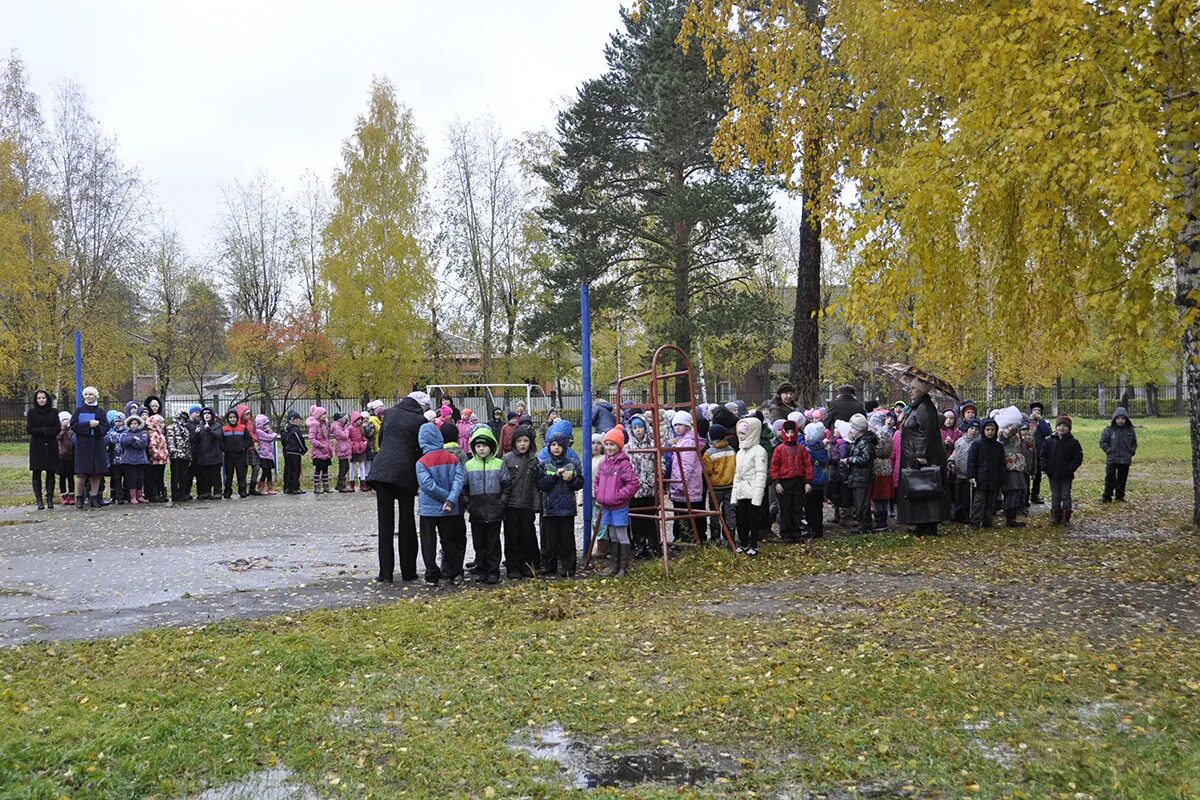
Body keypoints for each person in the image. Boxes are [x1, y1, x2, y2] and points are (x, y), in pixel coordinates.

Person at [366, 392, 427, 583]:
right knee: (406, 522)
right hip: (405, 472)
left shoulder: (389, 413)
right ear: (420, 405)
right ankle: (408, 572)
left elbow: (381, 440)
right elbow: (420, 448)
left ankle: (385, 573)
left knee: (385, 524)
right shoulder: (420, 420)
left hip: (382, 470)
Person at [415, 421, 467, 586]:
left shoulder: (421, 462)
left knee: (428, 541)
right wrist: (451, 498)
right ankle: (452, 572)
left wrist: (445, 497)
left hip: (428, 508)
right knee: (449, 539)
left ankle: (431, 573)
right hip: (449, 508)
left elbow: (428, 486)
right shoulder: (452, 458)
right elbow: (459, 480)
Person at [897, 379, 950, 535]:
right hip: (912, 454)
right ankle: (921, 523)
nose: (911, 390)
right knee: (916, 489)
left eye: (914, 388)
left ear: (922, 391)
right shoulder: (917, 407)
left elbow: (926, 433)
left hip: (923, 456)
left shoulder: (925, 408)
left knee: (925, 487)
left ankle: (929, 525)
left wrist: (921, 454)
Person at [593, 425, 640, 577]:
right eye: (606, 444)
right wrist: (599, 493)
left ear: (619, 446)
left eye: (612, 444)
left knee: (621, 534)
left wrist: (619, 495)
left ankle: (623, 568)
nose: (608, 447)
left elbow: (633, 483)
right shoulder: (604, 463)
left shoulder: (624, 464)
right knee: (612, 534)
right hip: (606, 505)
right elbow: (598, 480)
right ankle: (614, 565)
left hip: (619, 505)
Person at [537, 430, 584, 577]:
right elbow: (542, 484)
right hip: (550, 508)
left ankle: (569, 567)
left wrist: (571, 480)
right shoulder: (544, 464)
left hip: (567, 508)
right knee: (549, 541)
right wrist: (555, 477)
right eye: (553, 445)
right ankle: (549, 566)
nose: (556, 448)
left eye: (559, 445)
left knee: (567, 540)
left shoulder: (573, 463)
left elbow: (580, 483)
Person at [500, 424, 541, 579]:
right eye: (519, 441)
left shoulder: (533, 460)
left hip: (527, 505)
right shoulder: (507, 459)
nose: (523, 444)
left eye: (526, 441)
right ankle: (513, 567)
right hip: (511, 505)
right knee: (511, 538)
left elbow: (535, 485)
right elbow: (502, 483)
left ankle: (527, 565)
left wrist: (536, 505)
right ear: (514, 443)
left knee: (527, 537)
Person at [465, 426, 505, 585]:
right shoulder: (469, 465)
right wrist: (468, 505)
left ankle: (493, 571)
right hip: (477, 511)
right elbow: (464, 487)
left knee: (493, 543)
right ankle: (481, 569)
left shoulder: (499, 464)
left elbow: (506, 484)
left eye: (485, 446)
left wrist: (501, 503)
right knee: (479, 543)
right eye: (478, 446)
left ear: (492, 447)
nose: (481, 449)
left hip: (494, 511)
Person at [769, 420, 812, 542]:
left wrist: (808, 481)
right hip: (784, 482)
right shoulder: (779, 449)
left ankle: (796, 532)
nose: (790, 435)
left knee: (797, 508)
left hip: (798, 481)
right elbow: (774, 466)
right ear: (783, 432)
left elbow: (808, 465)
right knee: (785, 509)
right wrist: (776, 482)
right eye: (787, 432)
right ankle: (785, 533)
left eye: (792, 432)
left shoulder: (801, 449)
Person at [731, 416, 769, 556]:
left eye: (743, 434)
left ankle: (753, 544)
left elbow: (761, 474)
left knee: (753, 519)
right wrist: (734, 495)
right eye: (739, 433)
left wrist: (757, 496)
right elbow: (737, 474)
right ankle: (743, 542)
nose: (740, 436)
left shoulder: (759, 451)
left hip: (753, 491)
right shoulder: (740, 453)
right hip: (741, 491)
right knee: (741, 519)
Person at [624, 414, 660, 557]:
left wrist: (656, 477)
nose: (638, 430)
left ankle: (652, 545)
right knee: (636, 519)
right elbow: (624, 466)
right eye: (635, 428)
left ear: (646, 427)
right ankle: (639, 545)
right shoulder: (627, 448)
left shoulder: (652, 444)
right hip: (634, 490)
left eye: (640, 427)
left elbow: (660, 463)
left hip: (649, 488)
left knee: (650, 518)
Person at [666, 411, 704, 544]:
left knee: (685, 514)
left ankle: (688, 538)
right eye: (675, 425)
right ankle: (684, 537)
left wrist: (680, 485)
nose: (677, 427)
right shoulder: (684, 441)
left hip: (686, 486)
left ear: (687, 425)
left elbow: (686, 466)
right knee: (682, 513)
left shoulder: (688, 442)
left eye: (680, 424)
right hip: (682, 484)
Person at [1041, 414, 1083, 525]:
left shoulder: (1073, 442)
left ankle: (1066, 518)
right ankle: (1055, 517)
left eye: (1065, 426)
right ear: (1056, 427)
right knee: (1055, 495)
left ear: (1069, 428)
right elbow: (1042, 455)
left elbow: (1078, 457)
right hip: (1052, 473)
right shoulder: (1049, 441)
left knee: (1065, 495)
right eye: (1059, 426)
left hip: (1066, 474)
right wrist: (1045, 467)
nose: (1062, 428)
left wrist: (1070, 469)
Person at [702, 422, 738, 545]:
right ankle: (730, 535)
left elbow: (707, 471)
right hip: (730, 486)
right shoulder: (731, 450)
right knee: (729, 512)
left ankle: (715, 536)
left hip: (715, 488)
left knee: (714, 512)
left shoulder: (709, 453)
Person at [967, 418, 1005, 529]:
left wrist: (1001, 479)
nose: (990, 432)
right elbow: (971, 462)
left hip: (994, 479)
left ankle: (988, 522)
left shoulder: (999, 447)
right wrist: (971, 476)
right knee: (979, 502)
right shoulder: (976, 444)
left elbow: (1002, 464)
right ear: (983, 430)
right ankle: (975, 522)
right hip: (980, 479)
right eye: (987, 429)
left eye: (992, 429)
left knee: (991, 503)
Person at [845, 414, 878, 535]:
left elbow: (866, 459)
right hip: (858, 476)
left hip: (863, 477)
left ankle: (864, 526)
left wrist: (850, 460)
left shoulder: (865, 443)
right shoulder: (859, 442)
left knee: (862, 504)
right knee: (859, 503)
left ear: (859, 430)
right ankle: (864, 525)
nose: (851, 431)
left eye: (853, 428)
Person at [26, 389, 59, 510]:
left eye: (43, 398)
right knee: (37, 472)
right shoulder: (32, 413)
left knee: (50, 472)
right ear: (36, 400)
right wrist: (45, 431)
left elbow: (57, 429)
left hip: (51, 445)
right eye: (39, 398)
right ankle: (39, 499)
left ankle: (49, 498)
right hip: (37, 446)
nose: (41, 400)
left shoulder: (54, 412)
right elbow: (30, 429)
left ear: (47, 399)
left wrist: (43, 431)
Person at [1099, 407, 1137, 502]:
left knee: (1122, 478)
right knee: (1109, 478)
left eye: (1123, 418)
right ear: (1114, 419)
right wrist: (1108, 450)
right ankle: (1107, 496)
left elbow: (1134, 442)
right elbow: (1103, 441)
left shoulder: (1130, 430)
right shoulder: (1109, 430)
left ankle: (1120, 496)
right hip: (1112, 458)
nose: (1120, 420)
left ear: (1126, 419)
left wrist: (1131, 451)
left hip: (1125, 458)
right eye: (1118, 418)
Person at [948, 420, 980, 523]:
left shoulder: (978, 443)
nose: (973, 431)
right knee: (958, 496)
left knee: (968, 497)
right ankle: (958, 514)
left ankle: (967, 515)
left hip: (969, 475)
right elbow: (955, 452)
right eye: (971, 428)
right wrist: (951, 460)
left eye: (976, 429)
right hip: (958, 473)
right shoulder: (960, 441)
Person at [802, 422, 829, 538]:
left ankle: (811, 528)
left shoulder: (808, 450)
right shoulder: (822, 449)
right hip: (821, 482)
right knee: (818, 507)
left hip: (811, 481)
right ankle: (818, 529)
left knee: (810, 507)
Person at [869, 412, 894, 532]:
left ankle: (880, 521)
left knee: (878, 495)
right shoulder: (888, 434)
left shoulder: (878, 435)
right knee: (883, 496)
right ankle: (883, 519)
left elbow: (878, 450)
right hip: (887, 467)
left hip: (878, 468)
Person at [192, 408, 224, 500]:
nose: (206, 415)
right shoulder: (200, 426)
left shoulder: (217, 425)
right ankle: (205, 492)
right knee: (204, 476)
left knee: (215, 475)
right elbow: (195, 441)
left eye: (208, 413)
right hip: (202, 455)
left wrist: (209, 429)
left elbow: (218, 436)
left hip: (214, 455)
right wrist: (196, 434)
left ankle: (217, 492)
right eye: (204, 414)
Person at [120, 414, 150, 504]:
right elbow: (124, 442)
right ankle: (133, 496)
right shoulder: (125, 433)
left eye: (136, 423)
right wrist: (134, 438)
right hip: (129, 460)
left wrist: (132, 442)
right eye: (132, 423)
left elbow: (143, 444)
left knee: (140, 478)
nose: (134, 425)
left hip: (141, 460)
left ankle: (139, 495)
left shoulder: (143, 433)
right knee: (132, 479)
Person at [221, 409, 250, 498]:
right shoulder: (224, 429)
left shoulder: (242, 428)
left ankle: (242, 490)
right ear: (227, 419)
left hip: (240, 455)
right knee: (229, 474)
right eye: (230, 417)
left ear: (237, 418)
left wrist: (243, 447)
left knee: (241, 474)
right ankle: (227, 491)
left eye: (234, 417)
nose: (232, 419)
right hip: (228, 456)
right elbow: (221, 441)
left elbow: (248, 440)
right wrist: (224, 449)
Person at [165, 410, 194, 502]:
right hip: (176, 456)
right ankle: (175, 495)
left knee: (184, 475)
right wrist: (173, 451)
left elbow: (187, 443)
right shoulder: (171, 427)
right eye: (181, 418)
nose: (182, 420)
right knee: (175, 476)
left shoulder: (185, 429)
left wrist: (189, 455)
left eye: (184, 419)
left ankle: (182, 493)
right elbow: (170, 440)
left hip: (185, 455)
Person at [1028, 402, 1052, 504]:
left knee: (1037, 475)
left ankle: (1035, 494)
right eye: (1034, 411)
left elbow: (1047, 432)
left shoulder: (1044, 422)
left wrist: (1040, 420)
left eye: (1038, 411)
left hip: (1039, 451)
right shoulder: (1027, 421)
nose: (1036, 412)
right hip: (1028, 451)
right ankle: (1024, 496)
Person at [307, 405, 333, 495]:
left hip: (326, 450)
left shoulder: (324, 424)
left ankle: (326, 485)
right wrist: (320, 445)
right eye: (323, 414)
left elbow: (327, 436)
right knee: (318, 469)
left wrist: (329, 445)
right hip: (318, 451)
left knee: (325, 469)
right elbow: (311, 439)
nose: (325, 416)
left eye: (325, 414)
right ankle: (316, 486)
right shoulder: (314, 425)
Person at [281, 410, 307, 494]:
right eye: (299, 419)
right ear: (294, 420)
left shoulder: (285, 430)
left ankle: (287, 487)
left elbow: (283, 441)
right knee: (296, 470)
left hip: (287, 452)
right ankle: (295, 487)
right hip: (295, 452)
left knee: (288, 470)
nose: (299, 421)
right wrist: (304, 449)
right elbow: (300, 441)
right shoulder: (296, 430)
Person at [145, 414, 169, 502]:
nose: (163, 425)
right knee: (155, 478)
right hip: (156, 460)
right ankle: (155, 494)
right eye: (161, 423)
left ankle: (162, 494)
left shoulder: (161, 434)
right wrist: (159, 455)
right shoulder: (154, 434)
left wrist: (165, 455)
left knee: (160, 478)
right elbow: (152, 447)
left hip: (162, 460)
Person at [105, 411, 128, 505]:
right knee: (116, 479)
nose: (118, 423)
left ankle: (127, 495)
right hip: (115, 460)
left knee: (127, 479)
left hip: (126, 459)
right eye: (116, 421)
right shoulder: (111, 433)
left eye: (120, 421)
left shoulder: (127, 432)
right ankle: (119, 497)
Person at [254, 414, 279, 495]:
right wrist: (273, 433)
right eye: (265, 424)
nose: (267, 426)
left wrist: (270, 431)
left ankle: (270, 488)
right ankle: (260, 487)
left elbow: (271, 436)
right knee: (265, 470)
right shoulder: (259, 431)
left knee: (269, 471)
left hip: (268, 454)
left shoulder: (265, 431)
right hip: (263, 455)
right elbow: (270, 437)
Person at [56, 411, 75, 506]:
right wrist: (63, 430)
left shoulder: (72, 431)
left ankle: (72, 494)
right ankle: (63, 495)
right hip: (61, 457)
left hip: (71, 457)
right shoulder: (59, 431)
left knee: (71, 477)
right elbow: (58, 438)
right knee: (62, 477)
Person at [331, 412, 353, 492]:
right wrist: (346, 428)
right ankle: (341, 485)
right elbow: (344, 436)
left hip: (345, 448)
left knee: (345, 467)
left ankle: (340, 484)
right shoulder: (337, 427)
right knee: (343, 467)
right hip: (342, 449)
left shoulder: (340, 426)